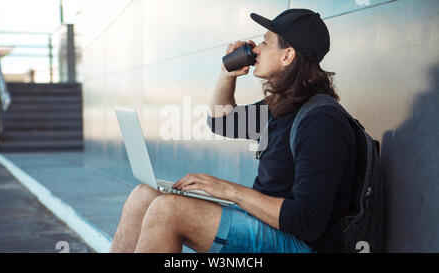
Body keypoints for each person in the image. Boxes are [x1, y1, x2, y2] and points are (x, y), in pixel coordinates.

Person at [110, 8, 356, 253]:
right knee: (145, 195)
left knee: (168, 210)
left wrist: (229, 191)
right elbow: (222, 121)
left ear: (287, 56)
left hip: (301, 244)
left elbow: (307, 222)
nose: (256, 49)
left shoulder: (321, 121)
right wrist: (227, 75)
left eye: (265, 42)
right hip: (265, 224)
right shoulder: (282, 105)